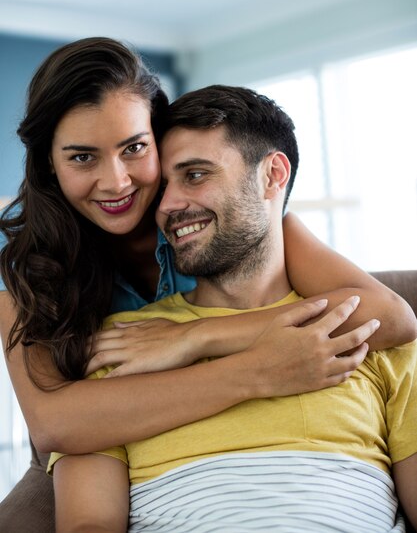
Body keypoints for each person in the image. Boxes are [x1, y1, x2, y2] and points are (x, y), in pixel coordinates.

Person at [0, 39, 415, 533]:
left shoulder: (235, 229)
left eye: (133, 148)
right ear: (50, 163)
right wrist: (260, 369)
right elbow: (53, 426)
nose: (116, 182)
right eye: (82, 158)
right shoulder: (33, 276)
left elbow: (390, 317)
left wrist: (195, 336)